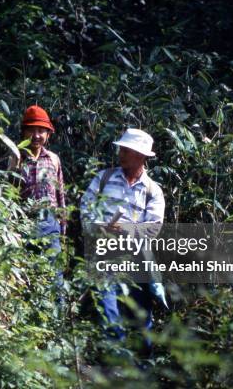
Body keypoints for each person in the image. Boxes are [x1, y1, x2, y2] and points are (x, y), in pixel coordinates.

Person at [80, 128, 167, 358]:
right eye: (121, 149)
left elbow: (153, 228)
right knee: (108, 316)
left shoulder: (153, 191)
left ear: (141, 155)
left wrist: (124, 230)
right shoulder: (103, 178)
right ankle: (115, 370)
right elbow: (85, 211)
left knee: (141, 323)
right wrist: (100, 227)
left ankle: (143, 372)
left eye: (126, 150)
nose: (121, 153)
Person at [8, 105, 66, 259]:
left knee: (54, 275)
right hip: (24, 222)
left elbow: (60, 194)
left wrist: (62, 226)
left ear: (48, 134)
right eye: (31, 130)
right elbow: (8, 193)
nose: (36, 135)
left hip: (50, 222)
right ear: (23, 132)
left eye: (41, 131)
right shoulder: (16, 158)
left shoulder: (53, 159)